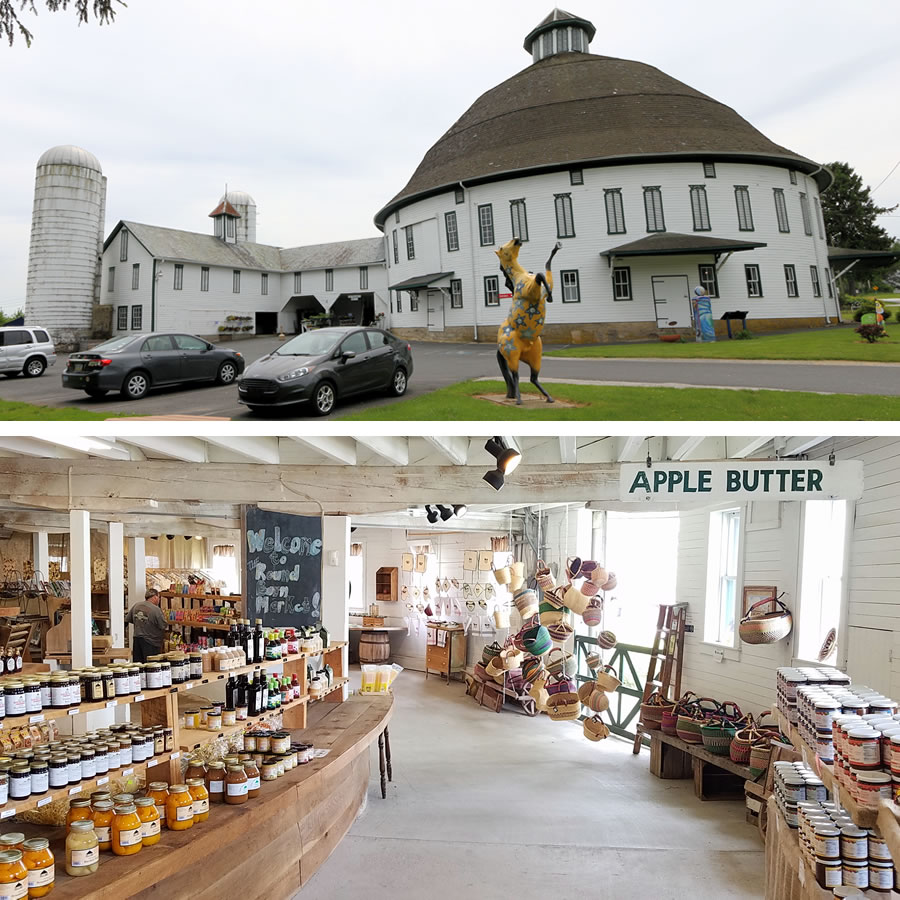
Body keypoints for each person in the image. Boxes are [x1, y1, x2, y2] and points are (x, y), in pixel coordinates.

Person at [124, 588, 167, 662]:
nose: (159, 600)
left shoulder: (136, 606)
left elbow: (127, 620)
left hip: (137, 640)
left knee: (138, 665)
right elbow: (163, 625)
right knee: (151, 667)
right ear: (155, 597)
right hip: (151, 642)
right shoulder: (156, 610)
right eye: (159, 598)